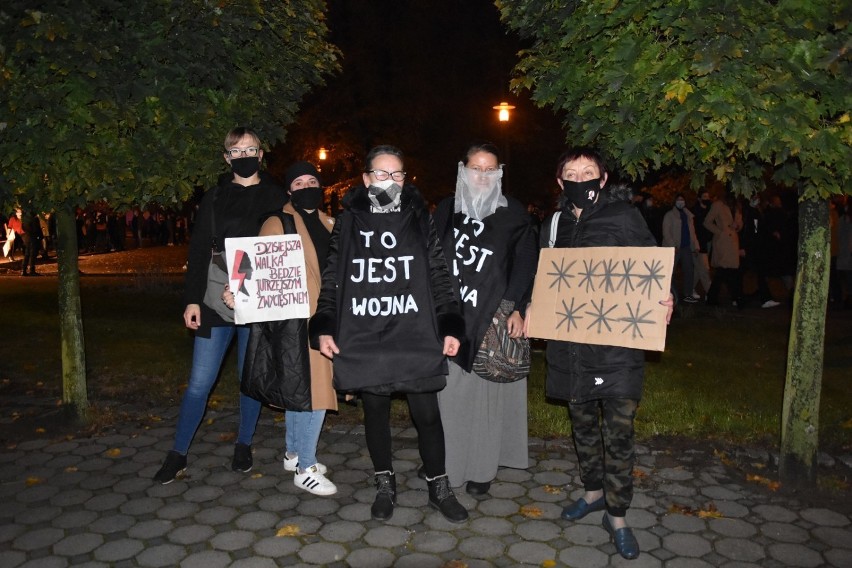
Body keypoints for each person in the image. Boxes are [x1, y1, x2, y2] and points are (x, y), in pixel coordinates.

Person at [310, 145, 469, 523]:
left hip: (413, 330)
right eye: (381, 174)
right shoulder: (348, 222)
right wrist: (325, 324)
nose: (390, 182)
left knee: (427, 414)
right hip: (366, 332)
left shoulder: (419, 218)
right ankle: (385, 483)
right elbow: (333, 275)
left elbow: (438, 273)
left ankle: (438, 486)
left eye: (397, 175)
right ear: (366, 179)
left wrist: (449, 322)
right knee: (375, 412)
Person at [532, 147, 673, 560]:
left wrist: (667, 299)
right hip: (572, 348)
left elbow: (653, 268)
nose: (580, 177)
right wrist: (528, 308)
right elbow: (543, 278)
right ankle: (593, 492)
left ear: (603, 179)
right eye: (571, 172)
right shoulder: (552, 224)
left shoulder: (624, 217)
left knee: (619, 433)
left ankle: (618, 515)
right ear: (560, 182)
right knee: (583, 427)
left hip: (617, 348)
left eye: (588, 171)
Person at [153, 126, 287, 484]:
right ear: (227, 158)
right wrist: (191, 300)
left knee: (249, 378)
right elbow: (199, 251)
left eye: (250, 149)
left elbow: (279, 250)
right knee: (199, 382)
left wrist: (243, 286)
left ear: (261, 154)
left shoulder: (277, 196)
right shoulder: (213, 197)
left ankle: (244, 443)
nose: (244, 156)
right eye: (236, 151)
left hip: (255, 298)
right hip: (214, 298)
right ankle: (178, 453)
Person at [228, 160, 339, 496]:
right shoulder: (278, 222)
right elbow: (254, 262)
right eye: (299, 182)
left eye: (312, 181)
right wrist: (236, 288)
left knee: (298, 390)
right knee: (317, 392)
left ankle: (293, 453)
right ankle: (306, 467)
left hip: (325, 316)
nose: (307, 186)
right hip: (296, 320)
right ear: (289, 190)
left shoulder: (329, 222)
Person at [433, 142, 537, 496]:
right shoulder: (447, 209)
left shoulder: (513, 212)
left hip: (495, 318)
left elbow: (525, 261)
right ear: (463, 169)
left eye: (489, 169)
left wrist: (516, 307)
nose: (482, 175)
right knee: (449, 394)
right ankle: (446, 464)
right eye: (476, 167)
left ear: (499, 174)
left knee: (488, 396)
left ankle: (481, 469)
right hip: (451, 316)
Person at [704, 192, 743, 307]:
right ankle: (735, 298)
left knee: (727, 272)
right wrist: (720, 232)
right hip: (723, 243)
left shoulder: (737, 206)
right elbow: (707, 222)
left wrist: (738, 226)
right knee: (724, 270)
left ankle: (731, 297)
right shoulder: (718, 205)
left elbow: (740, 222)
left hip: (733, 242)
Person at [662, 193, 699, 303]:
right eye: (678, 199)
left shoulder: (688, 215)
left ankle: (687, 294)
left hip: (686, 247)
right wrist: (673, 245)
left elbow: (692, 233)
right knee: (670, 272)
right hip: (673, 248)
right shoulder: (669, 215)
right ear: (675, 201)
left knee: (689, 271)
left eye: (682, 199)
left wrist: (696, 246)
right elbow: (666, 232)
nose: (680, 201)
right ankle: (669, 293)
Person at [690, 190, 714, 299]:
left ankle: (689, 288)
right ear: (699, 198)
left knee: (698, 269)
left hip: (708, 242)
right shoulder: (695, 211)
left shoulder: (710, 210)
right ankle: (710, 292)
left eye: (708, 196)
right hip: (699, 244)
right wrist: (695, 243)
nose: (707, 198)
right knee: (704, 268)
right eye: (704, 196)